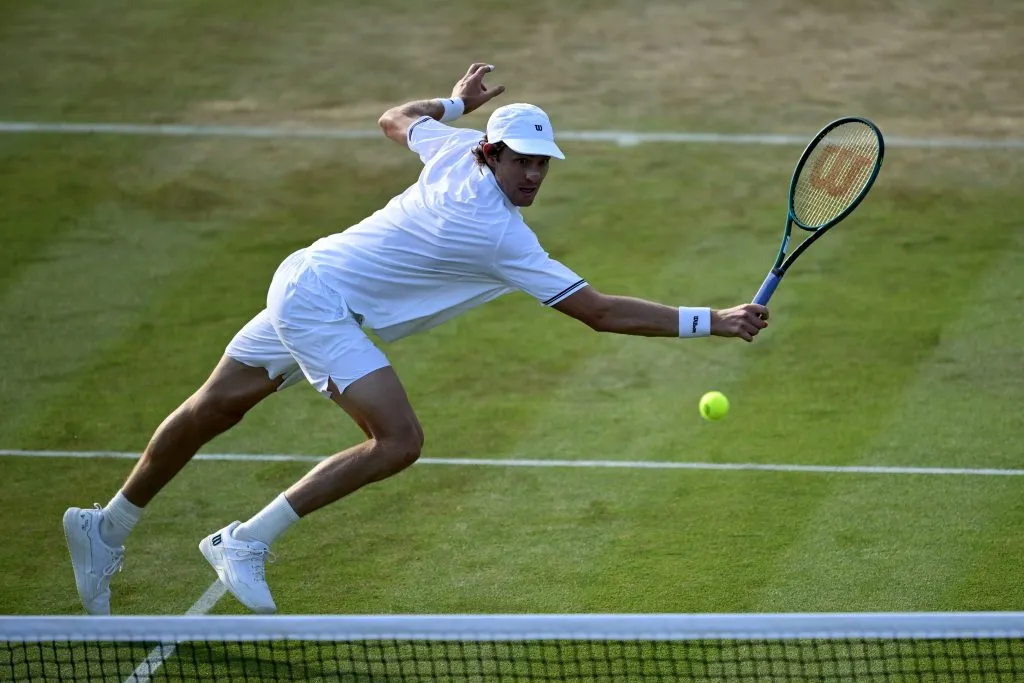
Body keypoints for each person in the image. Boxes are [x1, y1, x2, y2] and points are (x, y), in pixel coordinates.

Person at [63, 63, 769, 615]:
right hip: (321, 303)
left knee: (215, 407)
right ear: (493, 154)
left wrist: (454, 103)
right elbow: (600, 312)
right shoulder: (494, 233)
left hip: (308, 275)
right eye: (521, 160)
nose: (532, 174)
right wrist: (716, 319)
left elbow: (395, 118)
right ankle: (244, 539)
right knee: (397, 440)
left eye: (541, 162)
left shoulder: (455, 148)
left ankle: (108, 525)